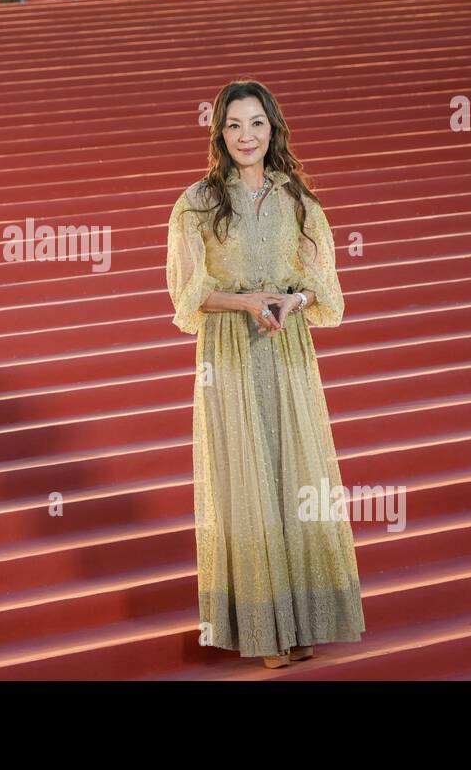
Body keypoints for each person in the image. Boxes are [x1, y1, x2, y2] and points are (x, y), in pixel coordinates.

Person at [164, 78, 365, 669]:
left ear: (272, 129)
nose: (246, 136)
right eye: (234, 125)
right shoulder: (196, 203)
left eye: (256, 123)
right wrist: (249, 302)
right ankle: (263, 628)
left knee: (293, 471)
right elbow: (187, 293)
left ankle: (302, 616)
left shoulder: (297, 198)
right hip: (229, 351)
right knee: (246, 482)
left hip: (287, 347)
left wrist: (288, 302)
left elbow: (322, 287)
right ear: (219, 134)